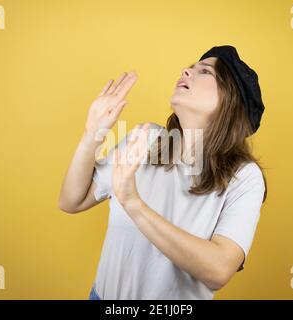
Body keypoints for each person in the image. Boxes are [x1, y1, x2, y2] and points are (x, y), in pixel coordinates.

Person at [59, 45, 268, 300]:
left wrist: (133, 203)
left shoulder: (245, 178)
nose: (186, 71)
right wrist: (92, 132)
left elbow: (219, 270)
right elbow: (71, 201)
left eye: (204, 71)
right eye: (190, 67)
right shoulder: (145, 139)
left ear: (230, 100)